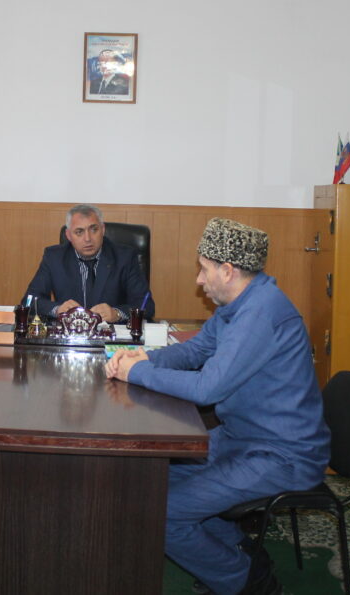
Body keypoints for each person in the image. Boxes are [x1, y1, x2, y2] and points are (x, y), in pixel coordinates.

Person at [105, 217, 330, 595]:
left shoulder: (261, 313)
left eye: (204, 269)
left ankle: (249, 582)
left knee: (162, 514)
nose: (199, 280)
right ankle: (242, 553)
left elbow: (208, 387)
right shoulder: (239, 304)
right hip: (241, 439)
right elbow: (196, 350)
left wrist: (137, 373)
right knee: (153, 484)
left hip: (282, 454)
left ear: (227, 271)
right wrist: (143, 358)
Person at [24, 203, 155, 323]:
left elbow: (146, 305)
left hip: (110, 335)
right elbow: (29, 300)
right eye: (79, 232)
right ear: (68, 235)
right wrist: (57, 309)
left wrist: (117, 313)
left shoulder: (124, 257)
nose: (87, 239)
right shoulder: (54, 257)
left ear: (103, 230)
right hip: (70, 334)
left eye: (94, 230)